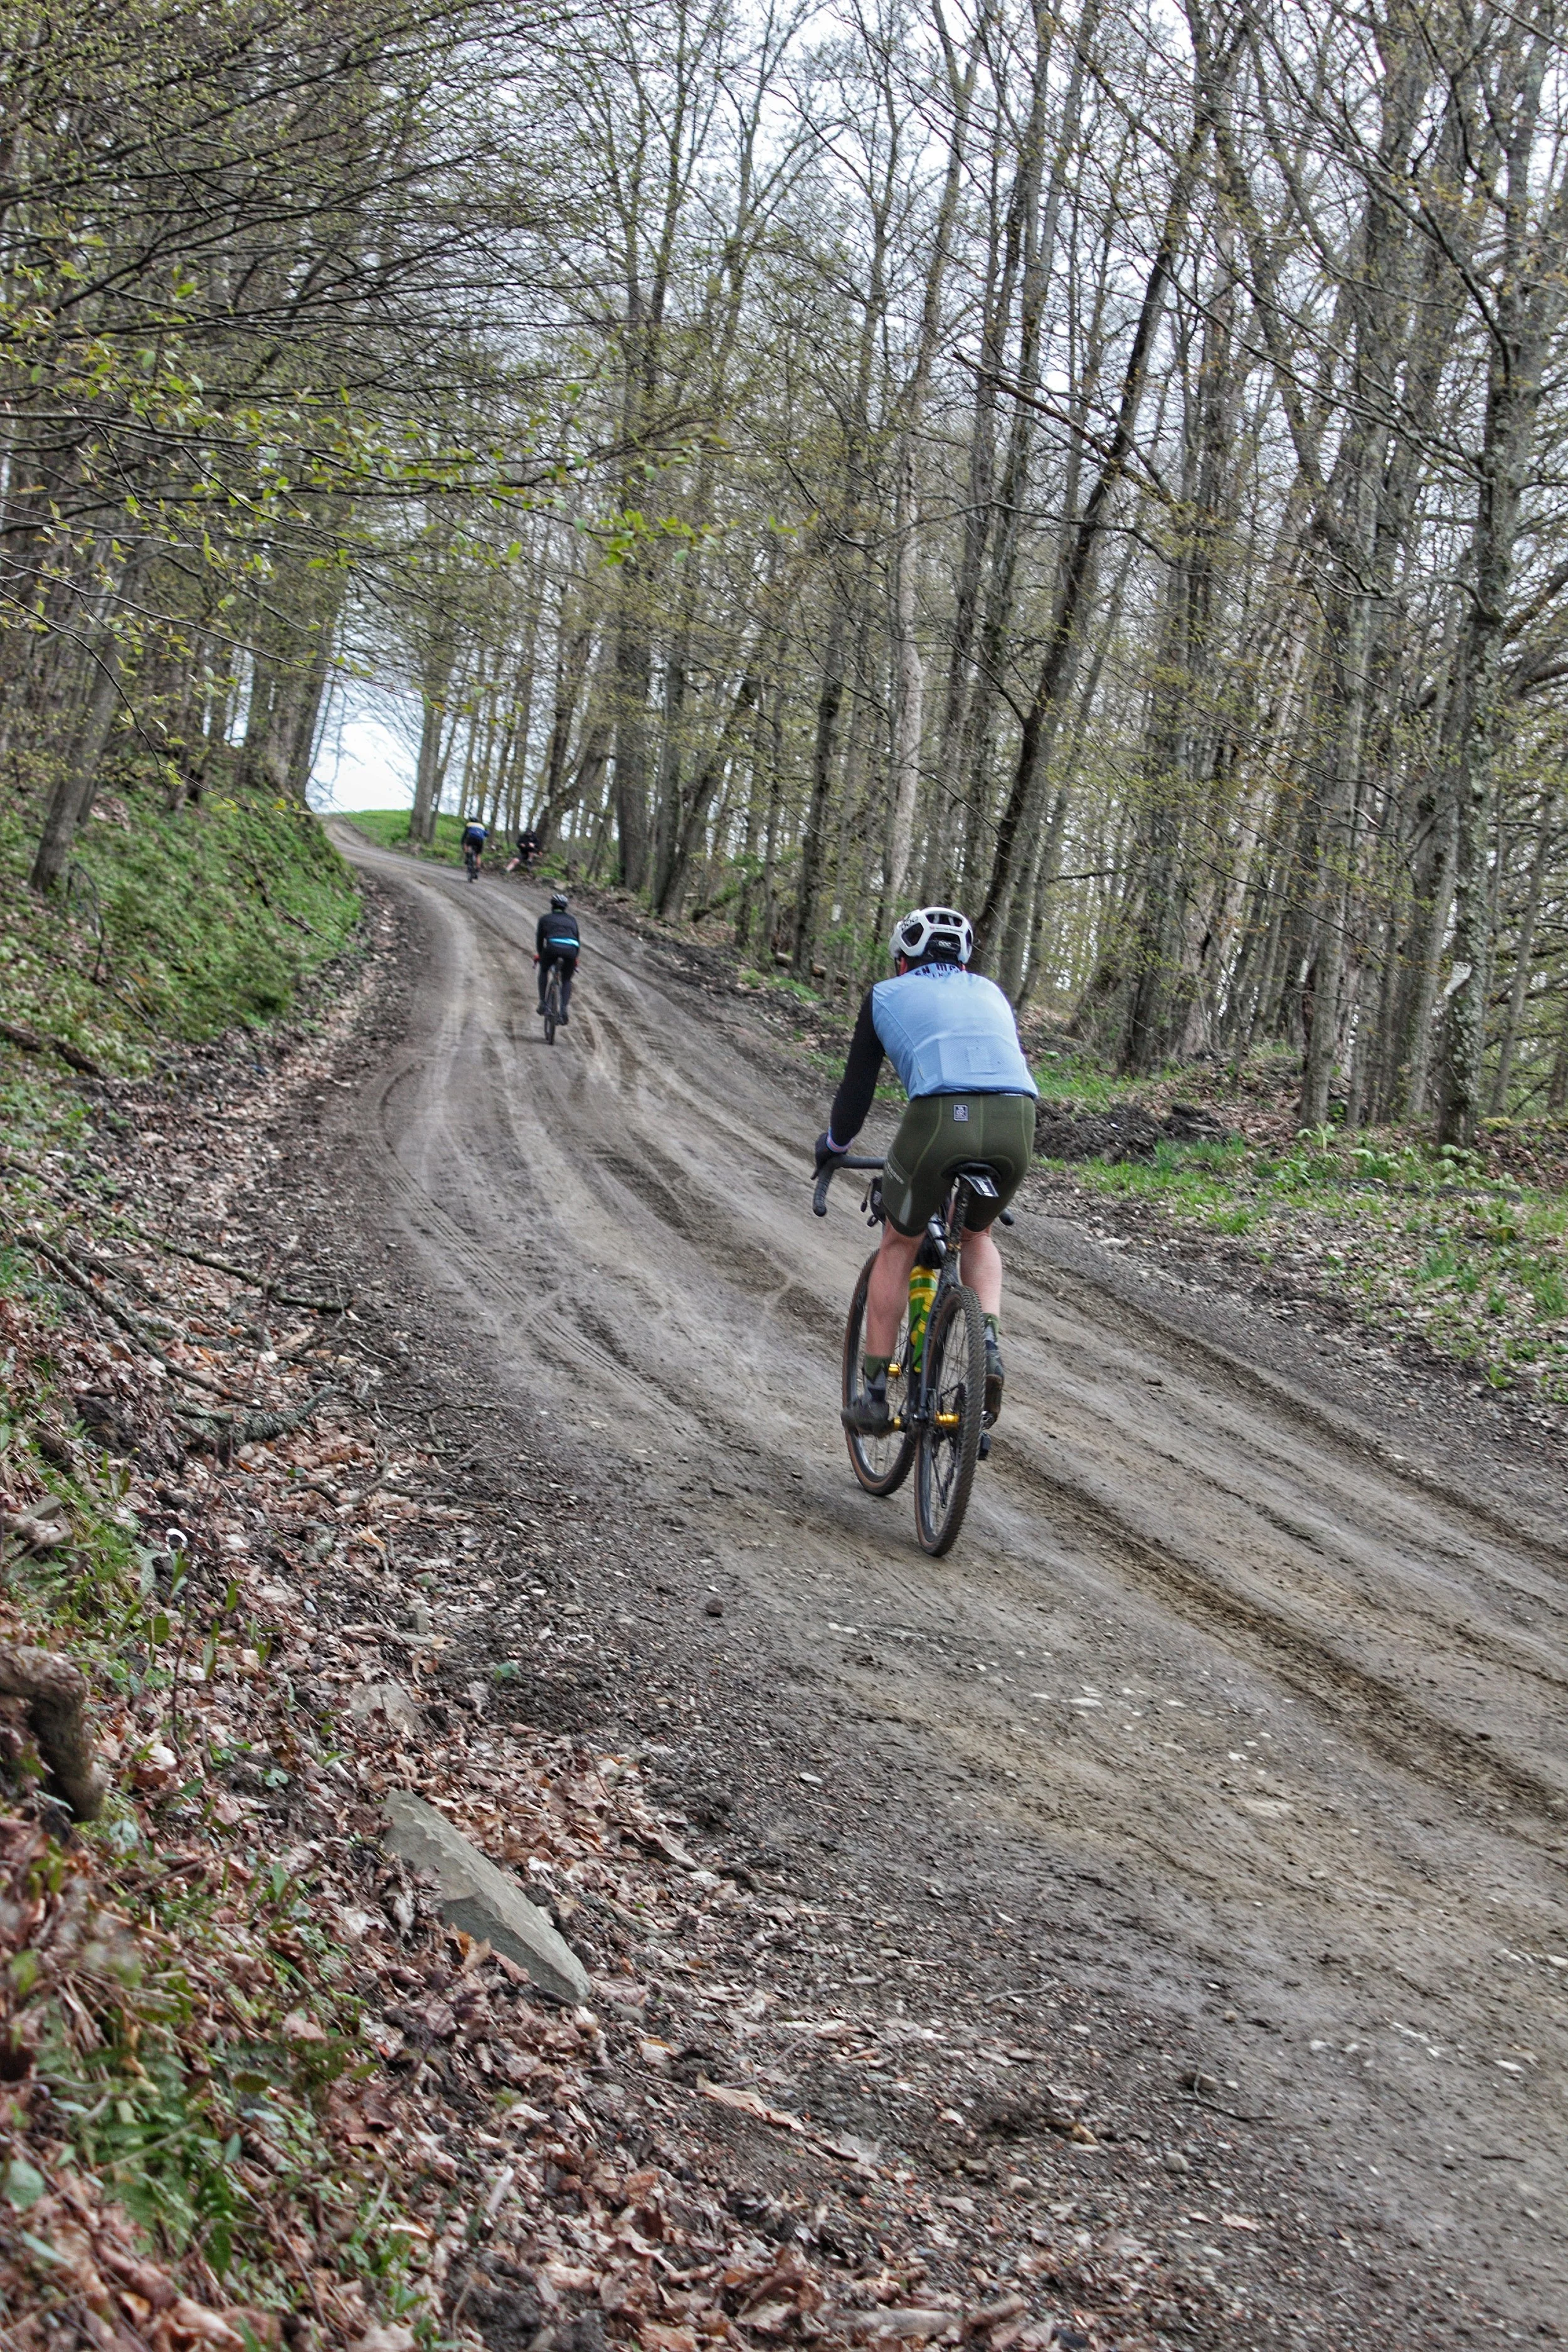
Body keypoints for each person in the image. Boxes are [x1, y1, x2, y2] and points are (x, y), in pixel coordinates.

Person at [815, 906, 1037, 1433]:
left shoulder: (886, 995)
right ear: (962, 961)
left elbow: (856, 1093)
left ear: (902, 960)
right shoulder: (990, 992)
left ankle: (872, 1395)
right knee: (978, 1233)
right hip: (1019, 1118)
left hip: (942, 1117)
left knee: (900, 1239)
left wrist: (834, 1146)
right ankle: (987, 1347)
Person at [535, 889, 580, 1022]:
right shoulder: (572, 920)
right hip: (571, 950)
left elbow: (540, 941)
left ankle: (543, 1003)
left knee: (543, 971)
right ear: (565, 908)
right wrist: (575, 957)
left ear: (552, 906)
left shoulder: (545, 919)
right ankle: (564, 1009)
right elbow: (577, 941)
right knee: (566, 979)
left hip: (552, 949)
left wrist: (540, 955)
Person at [460, 813, 487, 879]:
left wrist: (462, 842)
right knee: (478, 855)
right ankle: (477, 871)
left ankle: (467, 857)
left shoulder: (469, 824)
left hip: (471, 838)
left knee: (466, 844)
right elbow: (487, 834)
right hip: (480, 840)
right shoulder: (482, 826)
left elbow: (465, 834)